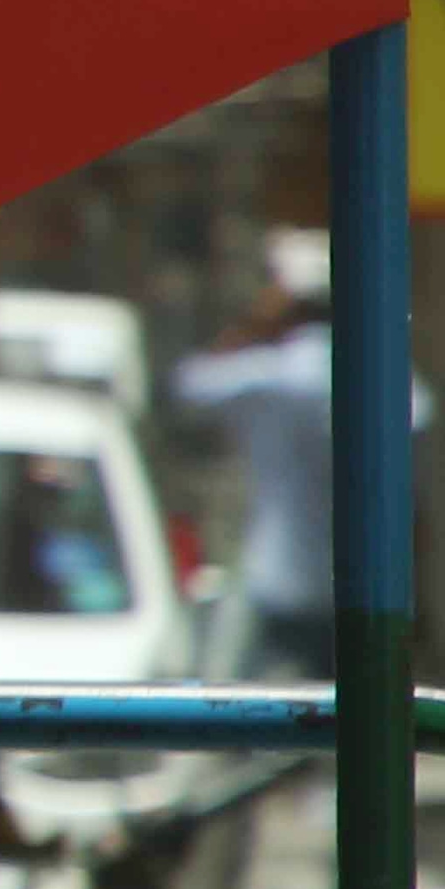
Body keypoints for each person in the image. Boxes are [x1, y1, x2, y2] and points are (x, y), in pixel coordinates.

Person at [170, 228, 417, 683]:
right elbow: (419, 416)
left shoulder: (266, 377)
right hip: (360, 586)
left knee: (231, 710)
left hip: (276, 577)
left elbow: (189, 385)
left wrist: (251, 327)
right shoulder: (374, 375)